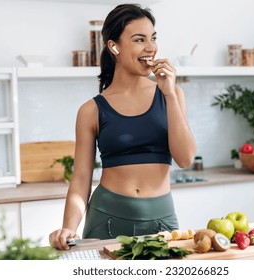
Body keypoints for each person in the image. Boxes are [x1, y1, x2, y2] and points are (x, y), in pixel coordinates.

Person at [49, 3, 196, 250]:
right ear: (114, 46)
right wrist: (69, 227)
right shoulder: (91, 110)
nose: (151, 48)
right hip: (106, 218)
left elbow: (185, 158)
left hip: (161, 221)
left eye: (153, 38)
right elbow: (82, 177)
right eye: (139, 40)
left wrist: (169, 94)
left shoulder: (172, 95)